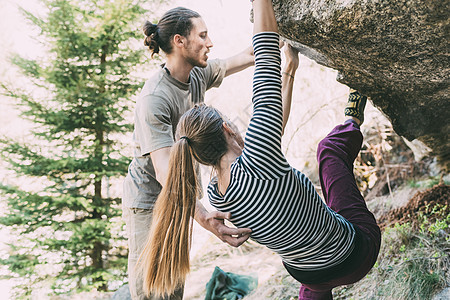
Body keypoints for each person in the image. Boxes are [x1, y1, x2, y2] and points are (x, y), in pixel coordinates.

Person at [139, 0, 381, 299]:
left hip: (311, 274)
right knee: (329, 153)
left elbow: (271, 135)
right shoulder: (258, 158)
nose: (209, 41)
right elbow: (266, 57)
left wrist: (289, 73)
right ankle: (352, 119)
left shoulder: (218, 195)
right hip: (356, 254)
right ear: (229, 129)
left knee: (313, 279)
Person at [122, 6, 255, 300]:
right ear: (180, 41)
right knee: (150, 288)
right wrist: (205, 217)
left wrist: (276, 36)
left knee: (173, 283)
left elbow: (244, 57)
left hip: (180, 196)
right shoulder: (155, 98)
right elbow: (164, 171)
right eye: (203, 36)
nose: (210, 43)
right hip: (148, 200)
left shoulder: (197, 74)